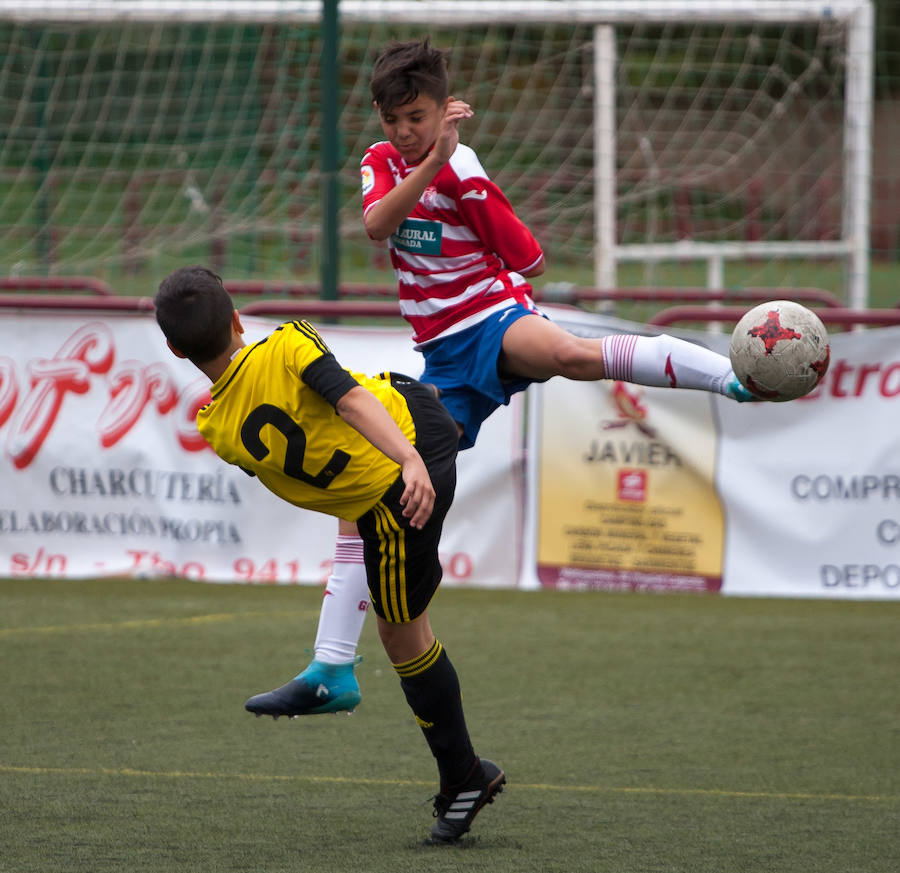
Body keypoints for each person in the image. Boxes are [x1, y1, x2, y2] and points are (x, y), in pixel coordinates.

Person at [245, 37, 758, 720]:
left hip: (492, 319)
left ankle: (731, 377)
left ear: (440, 109)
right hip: (441, 361)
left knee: (574, 355)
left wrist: (457, 172)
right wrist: (428, 163)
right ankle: (333, 667)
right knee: (368, 484)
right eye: (392, 119)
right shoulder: (383, 163)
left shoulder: (464, 167)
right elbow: (376, 224)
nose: (404, 131)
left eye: (418, 118)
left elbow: (532, 260)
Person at [154, 265, 504, 843]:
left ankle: (463, 775)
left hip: (403, 483)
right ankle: (332, 667)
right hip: (407, 420)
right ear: (239, 318)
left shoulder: (216, 427)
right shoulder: (290, 341)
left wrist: (410, 464)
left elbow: (340, 419)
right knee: (373, 431)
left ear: (174, 348)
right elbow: (346, 400)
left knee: (403, 638)